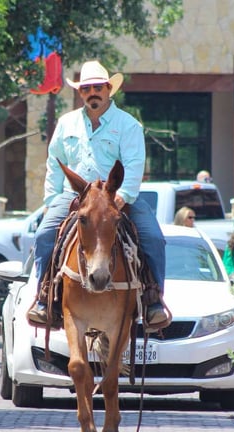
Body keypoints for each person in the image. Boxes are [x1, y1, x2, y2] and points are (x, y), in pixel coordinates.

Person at [27, 60, 170, 330]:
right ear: (80, 93)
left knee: (153, 237)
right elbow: (54, 163)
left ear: (108, 89)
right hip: (75, 196)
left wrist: (123, 195)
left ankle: (154, 300)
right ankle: (44, 297)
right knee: (44, 234)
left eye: (97, 88)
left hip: (117, 197)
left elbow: (134, 164)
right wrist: (50, 202)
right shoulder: (66, 123)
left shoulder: (128, 125)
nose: (92, 93)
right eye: (86, 89)